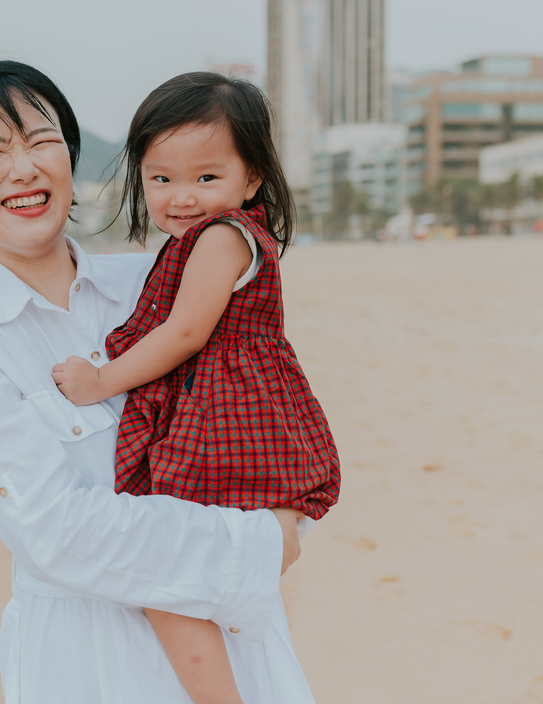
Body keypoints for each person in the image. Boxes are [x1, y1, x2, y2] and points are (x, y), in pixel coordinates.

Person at [0, 60, 312, 704]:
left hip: (234, 650)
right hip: (87, 663)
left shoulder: (154, 288)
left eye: (42, 141)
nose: (24, 167)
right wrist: (258, 543)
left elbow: (254, 427)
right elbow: (57, 534)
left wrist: (276, 526)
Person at [52, 72, 341, 704]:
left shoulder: (220, 238)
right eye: (161, 178)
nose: (182, 196)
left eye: (206, 177)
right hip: (236, 419)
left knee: (164, 577)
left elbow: (184, 333)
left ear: (253, 178)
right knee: (196, 574)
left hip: (230, 427)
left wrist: (100, 380)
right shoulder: (196, 241)